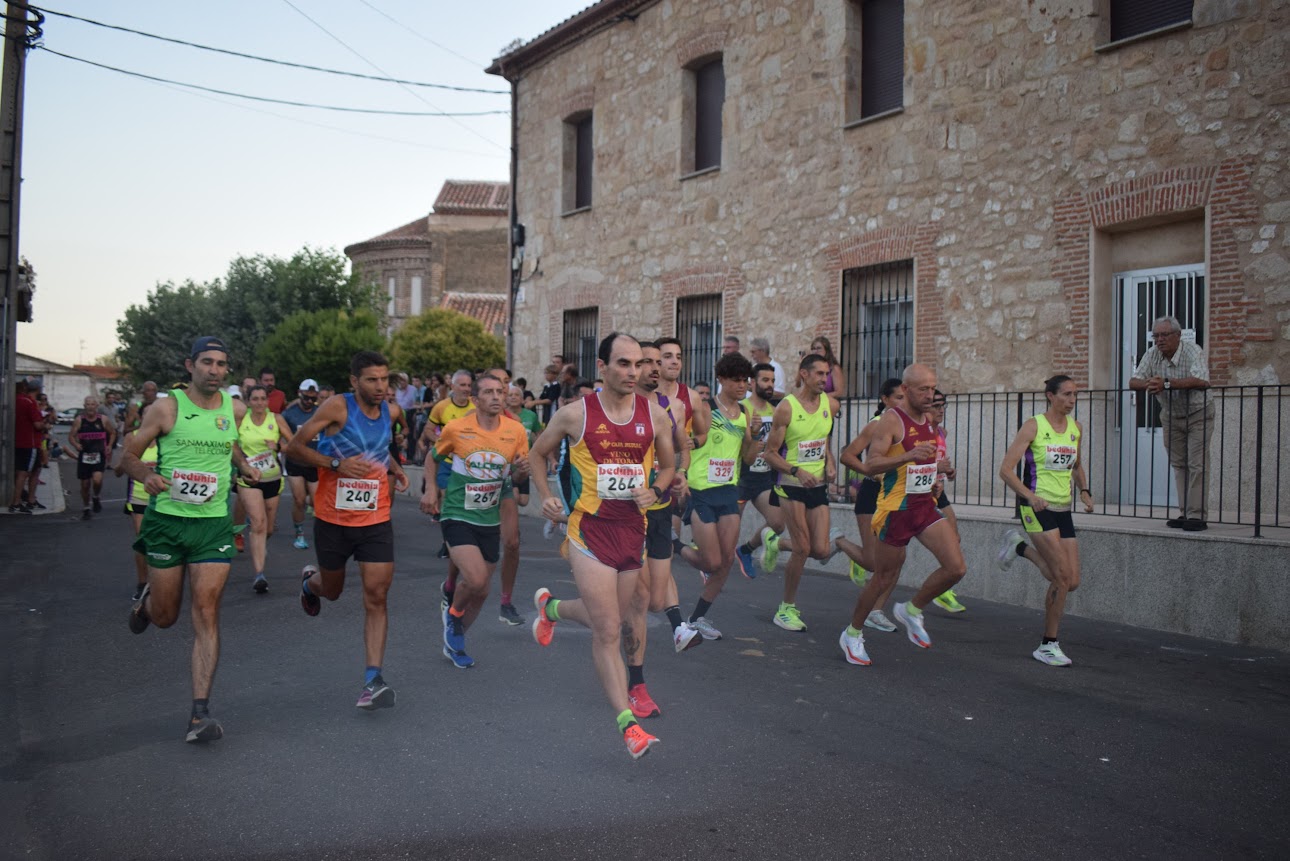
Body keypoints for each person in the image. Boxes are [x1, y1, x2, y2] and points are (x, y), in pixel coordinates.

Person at [528, 332, 677, 759]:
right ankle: (627, 725)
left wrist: (656, 488)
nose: (635, 372)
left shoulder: (655, 416)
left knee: (606, 619)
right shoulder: (575, 415)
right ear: (603, 367)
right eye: (625, 364)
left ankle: (552, 608)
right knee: (609, 628)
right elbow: (538, 454)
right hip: (588, 531)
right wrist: (546, 495)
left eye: (639, 365)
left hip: (633, 532)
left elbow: (668, 466)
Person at [123, 336, 261, 742]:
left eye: (221, 364)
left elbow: (229, 446)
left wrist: (243, 465)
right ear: (190, 366)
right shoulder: (166, 408)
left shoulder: (234, 410)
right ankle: (148, 605)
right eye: (207, 362)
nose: (215, 370)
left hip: (213, 525)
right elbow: (126, 456)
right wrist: (146, 475)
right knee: (167, 616)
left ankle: (199, 714)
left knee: (206, 610)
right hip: (167, 522)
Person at [286, 351, 411, 710]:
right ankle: (311, 584)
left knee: (377, 595)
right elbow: (294, 448)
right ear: (354, 381)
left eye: (385, 379)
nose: (380, 387)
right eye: (372, 380)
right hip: (332, 519)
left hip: (375, 519)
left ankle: (373, 680)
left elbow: (377, 449)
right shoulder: (336, 408)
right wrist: (335, 463)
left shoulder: (391, 412)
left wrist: (397, 468)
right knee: (333, 590)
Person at [839, 364, 966, 666]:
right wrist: (909, 456)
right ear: (906, 390)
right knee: (883, 577)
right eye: (923, 389)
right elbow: (870, 465)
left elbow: (921, 465)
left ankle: (911, 609)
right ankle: (852, 634)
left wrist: (937, 472)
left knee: (956, 568)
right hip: (896, 509)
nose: (930, 395)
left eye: (933, 388)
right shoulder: (890, 421)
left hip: (923, 504)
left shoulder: (931, 421)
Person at [421, 374, 530, 668]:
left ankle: (454, 636)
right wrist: (431, 489)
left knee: (481, 590)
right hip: (457, 512)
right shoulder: (457, 428)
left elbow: (516, 476)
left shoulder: (516, 431)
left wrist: (521, 471)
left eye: (500, 391)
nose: (496, 396)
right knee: (477, 578)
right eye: (489, 392)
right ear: (476, 399)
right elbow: (432, 458)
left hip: (488, 517)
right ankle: (454, 614)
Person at [624, 341, 702, 721]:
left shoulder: (668, 410)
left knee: (653, 600)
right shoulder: (614, 412)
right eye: (648, 363)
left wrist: (678, 474)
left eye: (659, 362)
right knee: (638, 603)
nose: (656, 369)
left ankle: (554, 609)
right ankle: (636, 686)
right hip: (621, 515)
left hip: (657, 508)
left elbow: (678, 454)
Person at [996, 375, 1095, 666]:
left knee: (1071, 580)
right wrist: (1029, 495)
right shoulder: (1034, 426)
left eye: (1075, 394)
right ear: (1050, 396)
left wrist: (1085, 491)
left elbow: (1076, 465)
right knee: (1061, 577)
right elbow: (1005, 470)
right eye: (1066, 394)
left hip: (1063, 509)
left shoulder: (1076, 428)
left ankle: (1019, 548)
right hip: (1036, 508)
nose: (1072, 400)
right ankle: (1048, 644)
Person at [676, 352, 757, 641]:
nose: (742, 385)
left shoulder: (746, 413)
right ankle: (676, 546)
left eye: (745, 380)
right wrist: (683, 473)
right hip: (701, 490)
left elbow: (747, 457)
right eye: (736, 380)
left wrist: (756, 437)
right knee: (710, 561)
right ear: (721, 379)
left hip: (728, 491)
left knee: (724, 562)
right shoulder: (707, 408)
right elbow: (690, 442)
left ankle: (697, 619)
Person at [759, 354, 842, 632]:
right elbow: (769, 454)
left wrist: (829, 462)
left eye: (826, 374)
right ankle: (786, 609)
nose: (824, 379)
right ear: (804, 375)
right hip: (790, 485)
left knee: (820, 550)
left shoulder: (830, 405)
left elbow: (823, 439)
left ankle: (774, 543)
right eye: (818, 373)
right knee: (803, 548)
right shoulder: (786, 408)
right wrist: (796, 471)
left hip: (816, 485)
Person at [833, 378, 906, 632]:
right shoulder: (876, 425)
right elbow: (847, 455)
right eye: (898, 397)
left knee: (897, 559)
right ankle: (839, 542)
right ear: (885, 400)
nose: (902, 402)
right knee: (875, 563)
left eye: (904, 397)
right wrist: (870, 471)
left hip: (896, 497)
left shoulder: (910, 426)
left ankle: (877, 611)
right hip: (871, 496)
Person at [1129, 315, 1213, 531]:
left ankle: (1197, 516)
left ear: (1177, 335)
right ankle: (1185, 513)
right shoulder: (1152, 354)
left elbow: (1202, 380)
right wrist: (1150, 382)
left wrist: (1166, 383)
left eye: (1164, 335)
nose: (1159, 340)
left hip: (1198, 413)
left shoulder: (1192, 350)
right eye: (1155, 335)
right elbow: (1133, 381)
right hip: (1170, 414)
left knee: (1197, 464)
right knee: (1179, 463)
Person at [236, 385, 294, 593]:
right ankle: (259, 574)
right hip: (249, 479)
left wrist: (277, 446)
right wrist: (242, 465)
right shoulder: (241, 421)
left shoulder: (276, 419)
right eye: (255, 399)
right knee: (258, 523)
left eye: (263, 399)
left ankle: (258, 543)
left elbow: (293, 444)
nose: (260, 403)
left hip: (272, 477)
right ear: (248, 401)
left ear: (267, 401)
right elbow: (231, 444)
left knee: (267, 528)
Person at [734, 362, 785, 575]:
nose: (770, 385)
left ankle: (746, 550)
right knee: (727, 532)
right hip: (741, 477)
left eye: (772, 381)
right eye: (765, 380)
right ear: (752, 383)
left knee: (778, 523)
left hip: (763, 477)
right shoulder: (742, 408)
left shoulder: (776, 412)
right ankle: (711, 565)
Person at [281, 379, 322, 550]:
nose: (309, 402)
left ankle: (322, 532)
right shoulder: (289, 414)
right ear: (300, 393)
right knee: (298, 500)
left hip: (314, 463)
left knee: (316, 501)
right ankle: (299, 533)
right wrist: (285, 448)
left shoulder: (321, 413)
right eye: (306, 397)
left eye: (313, 398)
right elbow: (282, 439)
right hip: (295, 463)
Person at [67, 395, 116, 520]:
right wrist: (76, 444)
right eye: (88, 404)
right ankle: (86, 508)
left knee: (97, 480)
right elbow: (71, 436)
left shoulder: (103, 419)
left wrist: (109, 445)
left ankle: (96, 497)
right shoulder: (79, 420)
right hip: (85, 455)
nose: (90, 407)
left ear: (96, 406)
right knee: (85, 484)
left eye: (92, 404)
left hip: (98, 455)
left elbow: (113, 432)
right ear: (84, 406)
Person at [10, 381, 48, 514]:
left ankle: (30, 500)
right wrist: (46, 425)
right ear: (37, 390)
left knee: (32, 470)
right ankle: (17, 502)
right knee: (24, 473)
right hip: (30, 443)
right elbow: (38, 425)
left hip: (17, 441)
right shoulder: (29, 403)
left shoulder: (15, 400)